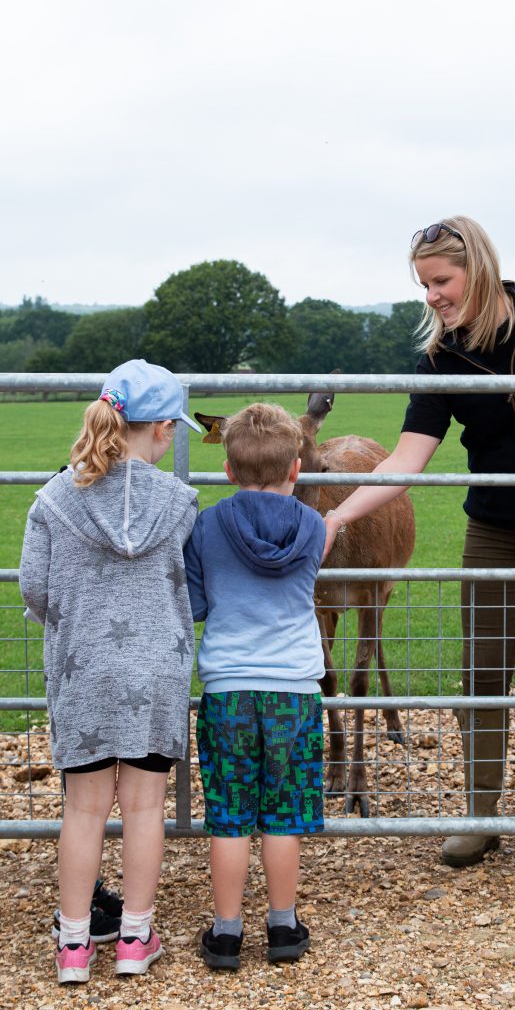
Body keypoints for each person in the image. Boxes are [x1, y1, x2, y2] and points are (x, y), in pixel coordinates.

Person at [323, 215, 515, 870]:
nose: (431, 295)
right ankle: (481, 815)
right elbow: (404, 460)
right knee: (482, 673)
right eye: (423, 285)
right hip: (494, 529)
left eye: (439, 280)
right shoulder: (442, 359)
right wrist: (336, 518)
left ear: (477, 267)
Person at [19, 359, 200, 983]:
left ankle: (74, 947)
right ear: (158, 430)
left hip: (82, 673)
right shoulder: (179, 502)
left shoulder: (53, 497)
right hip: (155, 673)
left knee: (84, 809)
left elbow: (35, 590)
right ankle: (133, 939)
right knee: (145, 808)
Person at [183, 402, 326, 972]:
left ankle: (225, 935)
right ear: (296, 468)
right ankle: (284, 926)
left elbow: (195, 603)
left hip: (228, 690)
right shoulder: (313, 526)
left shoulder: (207, 525)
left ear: (227, 469)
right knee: (284, 813)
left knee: (230, 813)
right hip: (294, 689)